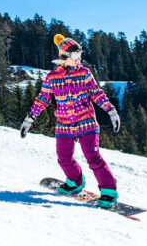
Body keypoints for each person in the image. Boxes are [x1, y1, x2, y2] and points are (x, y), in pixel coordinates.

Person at [20, 34, 122, 209]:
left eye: (80, 55)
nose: (78, 59)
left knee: (93, 158)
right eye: (75, 56)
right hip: (64, 125)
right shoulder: (52, 77)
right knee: (63, 158)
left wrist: (111, 111)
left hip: (86, 122)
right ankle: (75, 182)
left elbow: (97, 93)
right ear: (64, 56)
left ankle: (109, 192)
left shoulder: (84, 74)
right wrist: (30, 119)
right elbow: (43, 99)